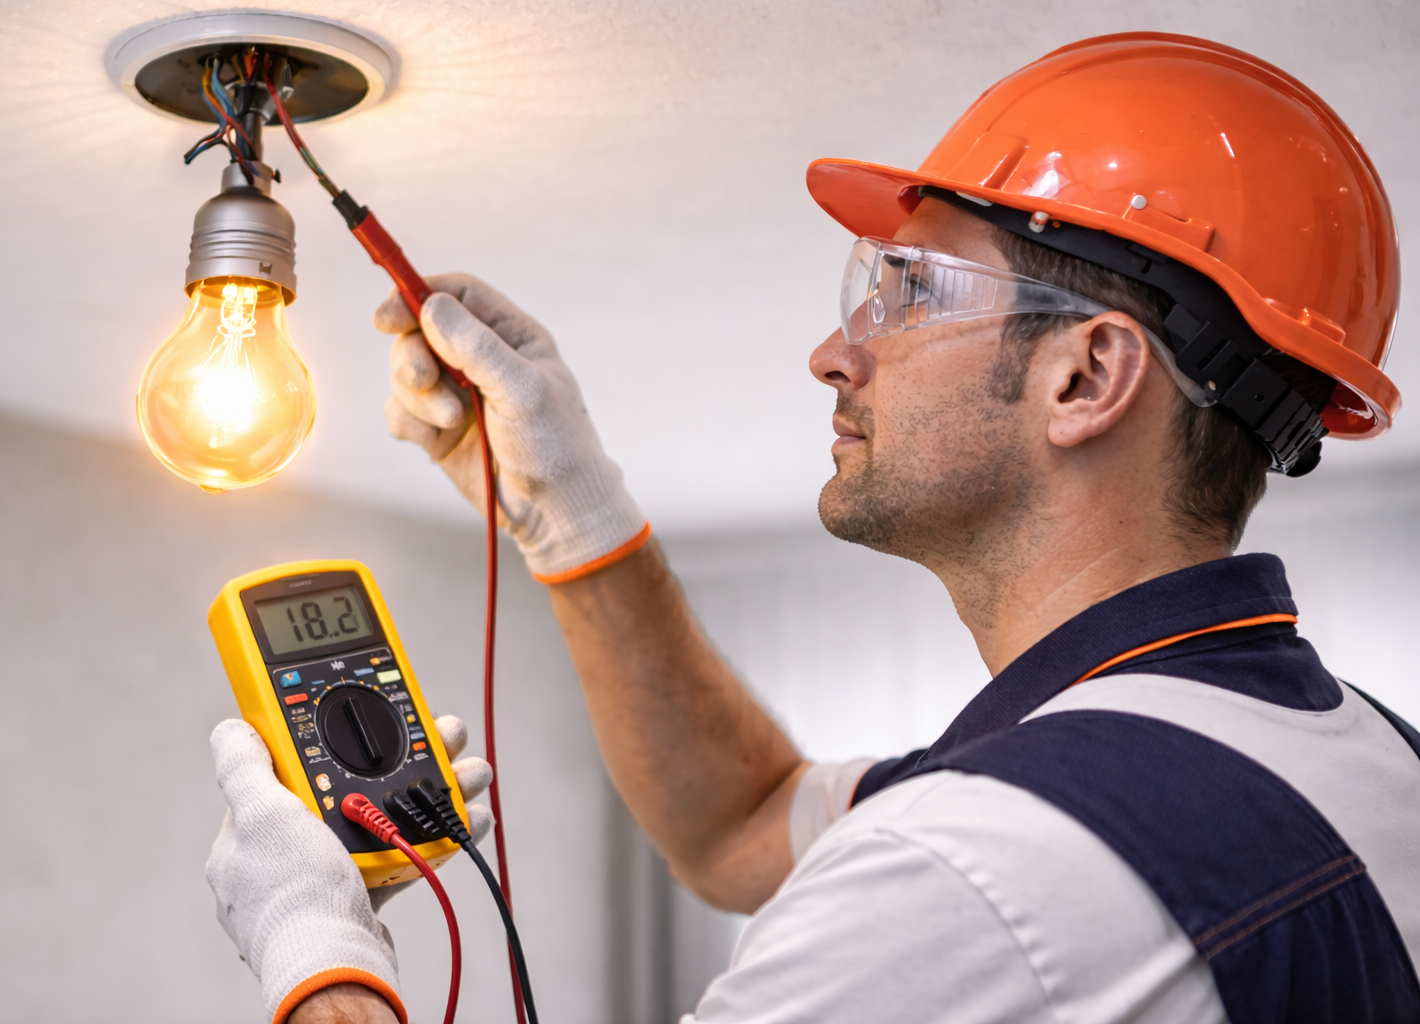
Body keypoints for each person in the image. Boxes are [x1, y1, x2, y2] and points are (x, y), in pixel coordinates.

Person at [205, 32, 1420, 1024]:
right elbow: (743, 821)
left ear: (1087, 377)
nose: (836, 353)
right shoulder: (1363, 754)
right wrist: (566, 508)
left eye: (911, 288)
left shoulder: (973, 868)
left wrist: (316, 949)